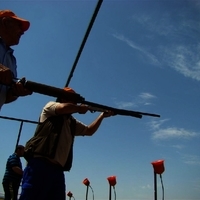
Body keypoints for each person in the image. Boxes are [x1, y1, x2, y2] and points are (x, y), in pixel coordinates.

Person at [19, 87, 114, 200]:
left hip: (58, 171)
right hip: (40, 165)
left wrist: (102, 115)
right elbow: (63, 108)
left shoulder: (71, 122)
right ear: (62, 98)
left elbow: (89, 131)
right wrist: (79, 108)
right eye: (71, 99)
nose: (74, 102)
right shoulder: (50, 106)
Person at [0, 10, 32, 110]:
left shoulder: (12, 60)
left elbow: (5, 97)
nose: (22, 32)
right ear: (5, 22)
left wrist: (15, 92)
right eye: (19, 25)